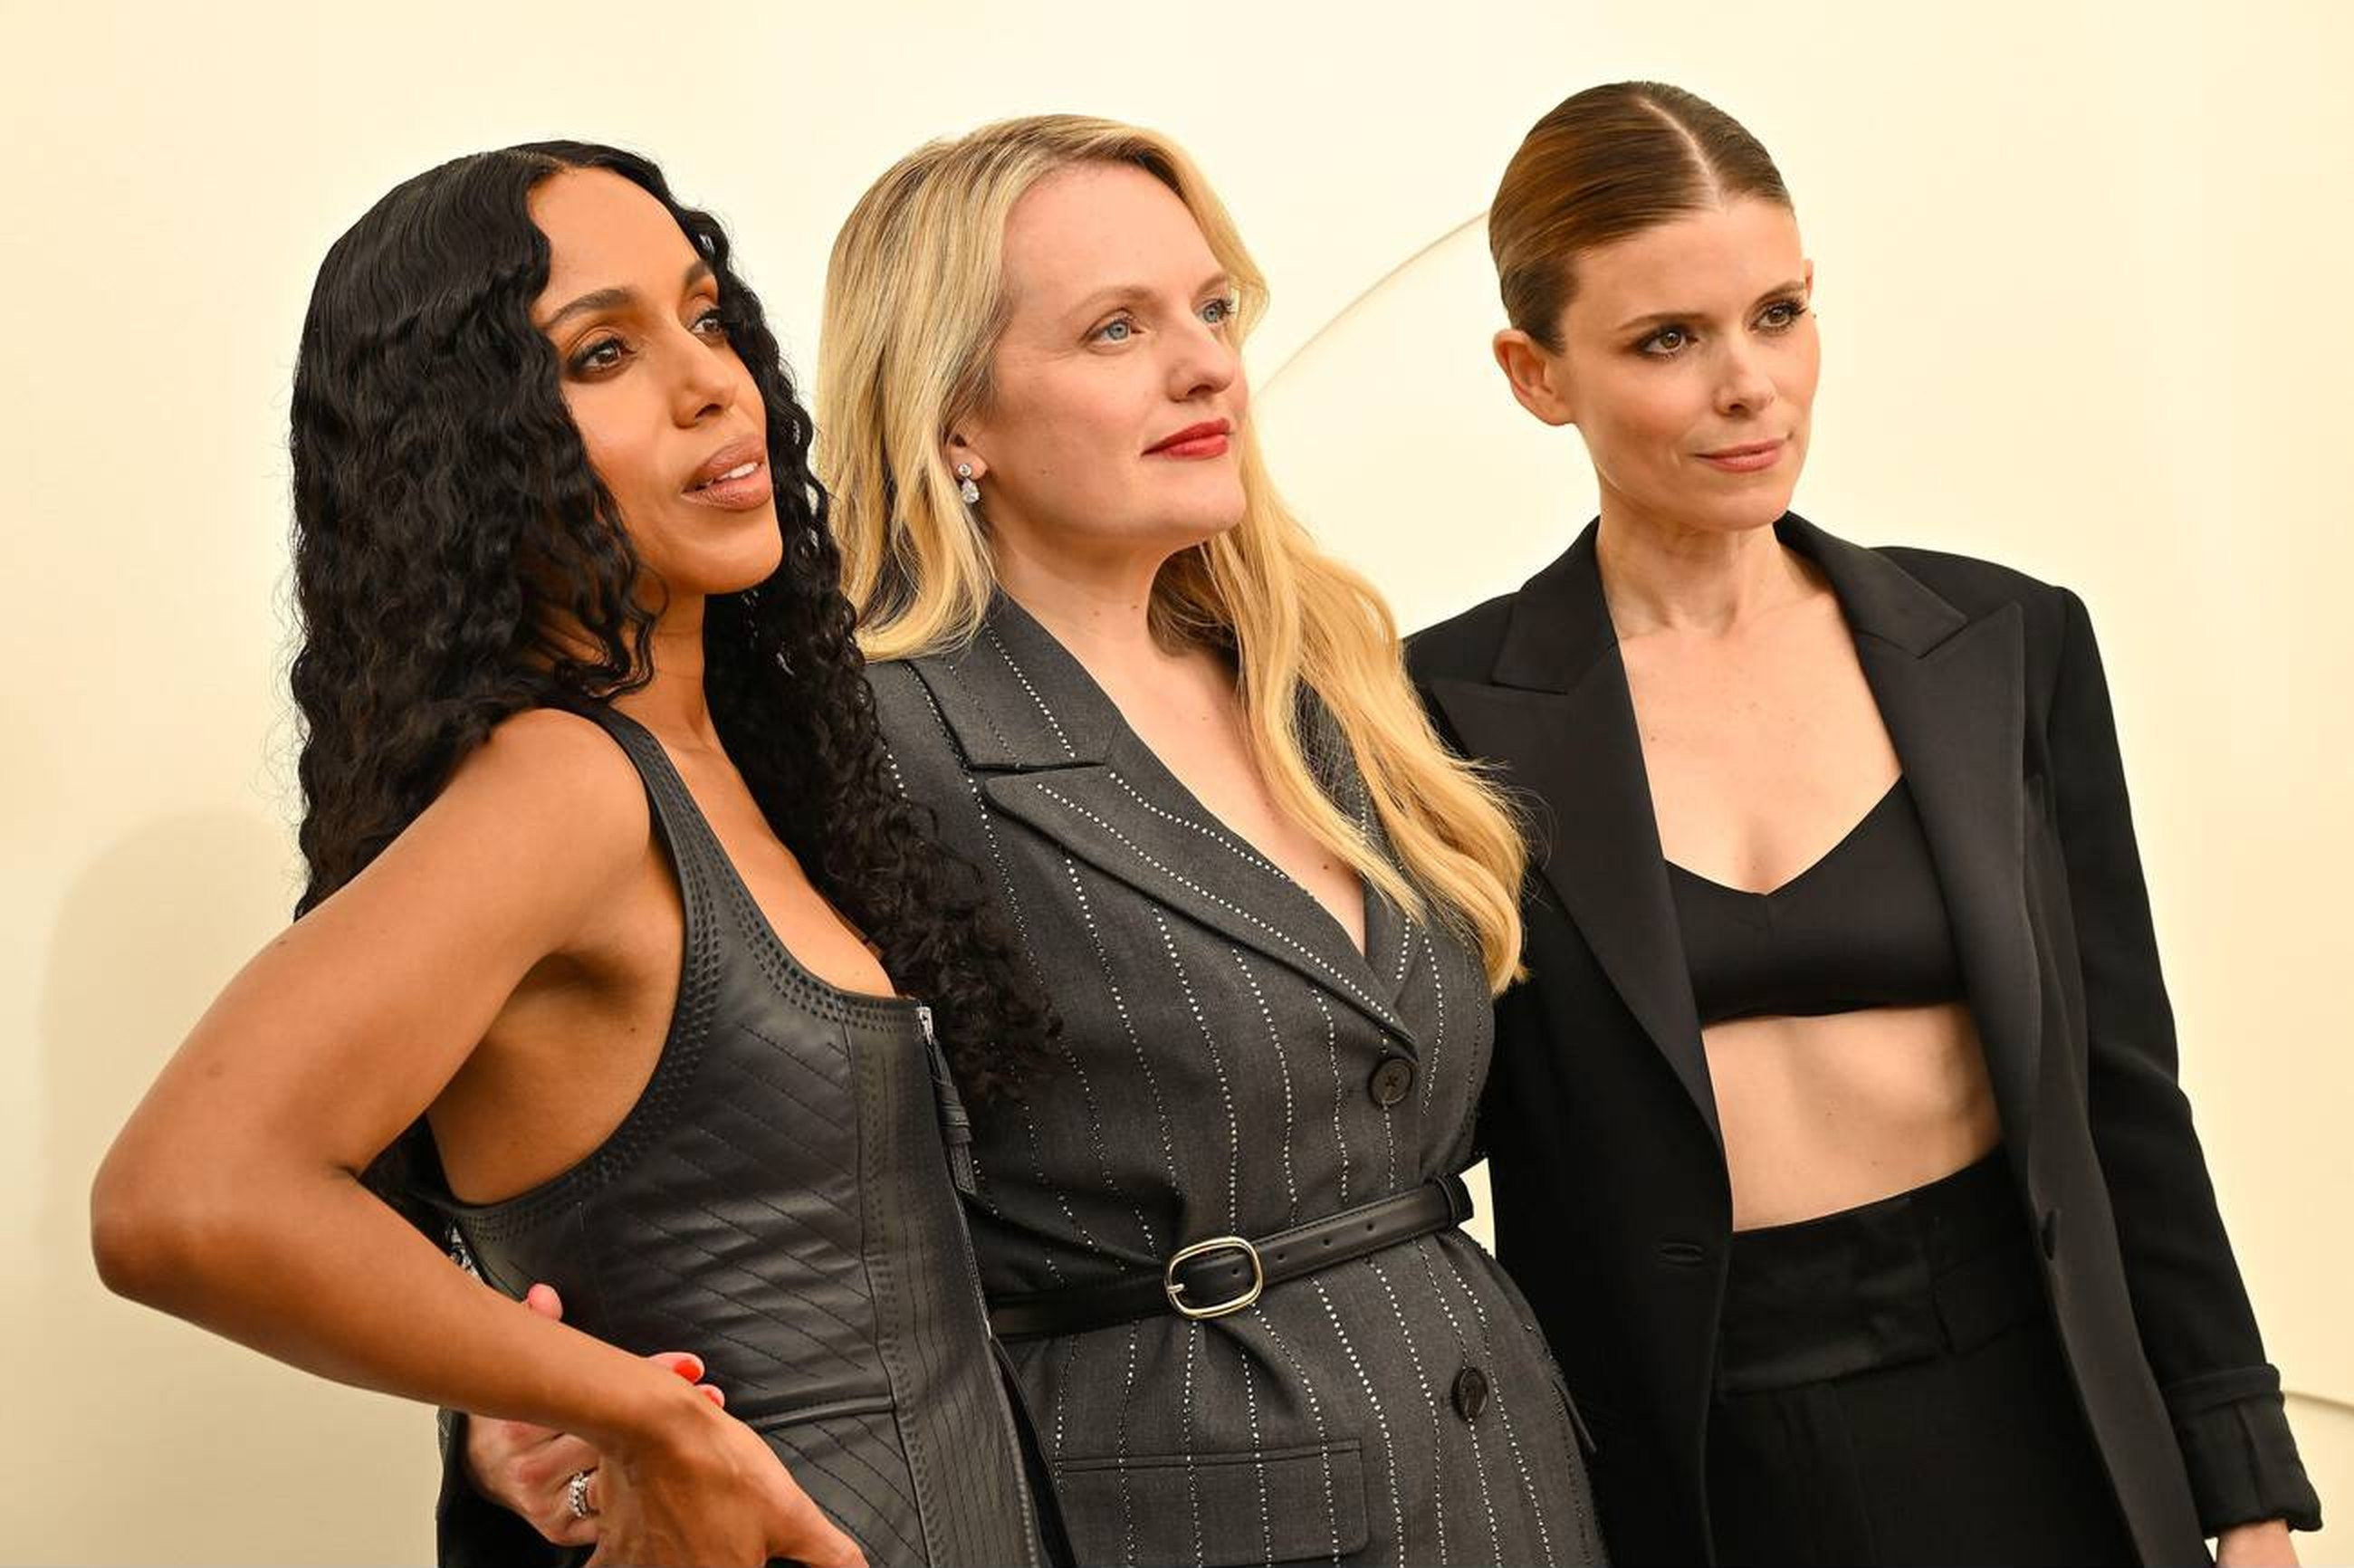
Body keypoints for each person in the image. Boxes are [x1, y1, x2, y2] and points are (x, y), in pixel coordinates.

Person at [465, 113, 1606, 1568]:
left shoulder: (1329, 682)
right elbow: (648, 1118)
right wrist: (522, 1389)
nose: (1204, 366)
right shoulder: (857, 737)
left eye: (1211, 310)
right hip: (1175, 1509)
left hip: (1506, 1479)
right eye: (1115, 329)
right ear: (956, 418)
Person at [90, 140, 1051, 1568]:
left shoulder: (735, 767)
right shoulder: (565, 788)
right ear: (470, 454)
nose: (710, 381)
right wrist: (645, 1424)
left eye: (707, 317)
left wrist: (542, 1411)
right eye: (603, 353)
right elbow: (182, 1198)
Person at [1408, 81, 2323, 1567]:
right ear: (1536, 374)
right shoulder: (1431, 717)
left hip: (2049, 1420)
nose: (1750, 386)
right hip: (1685, 1472)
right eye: (1667, 339)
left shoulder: (2003, 644)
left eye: (1778, 315)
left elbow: (2124, 1097)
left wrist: (2247, 1494)